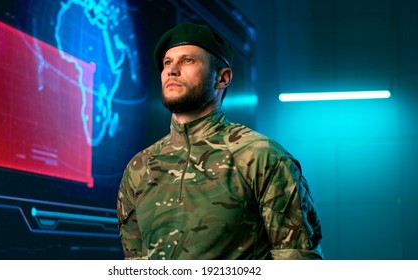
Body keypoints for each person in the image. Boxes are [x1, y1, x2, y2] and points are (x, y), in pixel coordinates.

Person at [117, 22, 323, 260]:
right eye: (167, 62)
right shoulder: (140, 167)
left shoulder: (260, 156)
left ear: (222, 78)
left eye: (187, 61)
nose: (172, 70)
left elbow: (297, 260)